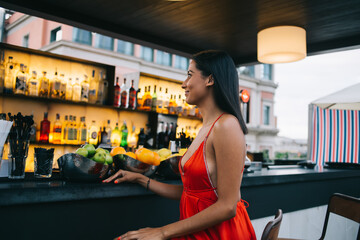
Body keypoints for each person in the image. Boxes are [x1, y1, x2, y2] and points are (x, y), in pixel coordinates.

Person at [103, 50, 257, 240]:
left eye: (190, 75)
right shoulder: (207, 128)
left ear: (210, 79)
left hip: (220, 234)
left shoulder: (227, 126)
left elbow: (228, 206)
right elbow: (192, 194)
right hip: (196, 232)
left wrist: (161, 232)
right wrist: (141, 180)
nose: (184, 83)